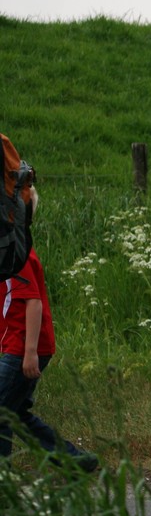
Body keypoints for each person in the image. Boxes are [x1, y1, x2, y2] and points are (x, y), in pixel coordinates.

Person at [1, 173, 99, 472]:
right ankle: (76, 461)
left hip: (25, 347)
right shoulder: (7, 252)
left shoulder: (19, 255)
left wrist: (30, 352)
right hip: (15, 345)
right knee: (16, 413)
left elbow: (33, 302)